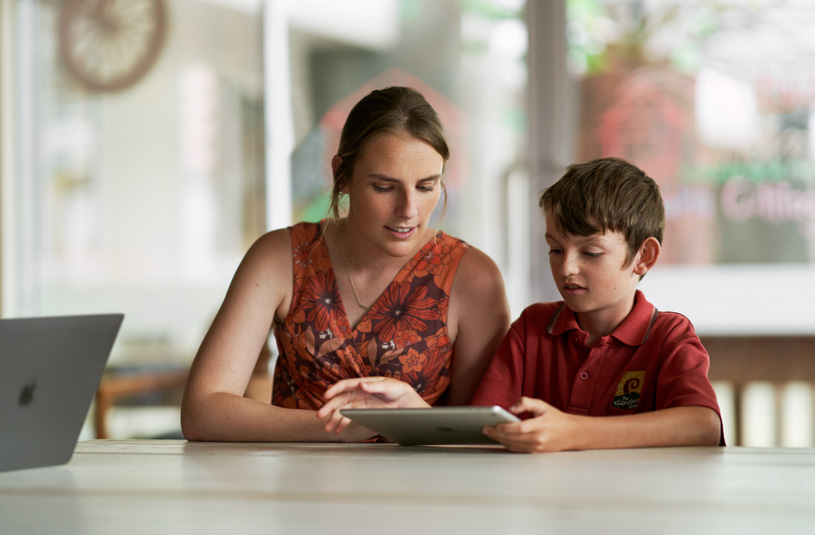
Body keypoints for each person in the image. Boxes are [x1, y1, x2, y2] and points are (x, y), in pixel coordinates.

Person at [181, 86, 511, 442]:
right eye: (384, 187)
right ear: (342, 175)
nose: (408, 210)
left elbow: (483, 440)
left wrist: (412, 416)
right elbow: (202, 411)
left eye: (426, 186)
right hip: (294, 476)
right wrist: (346, 428)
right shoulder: (280, 257)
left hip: (423, 479)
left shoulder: (473, 278)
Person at [472, 157, 724, 453]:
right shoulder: (533, 327)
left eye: (590, 252)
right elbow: (483, 426)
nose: (567, 268)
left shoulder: (668, 335)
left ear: (643, 257)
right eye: (555, 249)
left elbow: (704, 426)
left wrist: (574, 432)